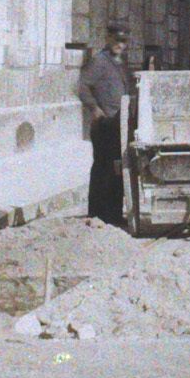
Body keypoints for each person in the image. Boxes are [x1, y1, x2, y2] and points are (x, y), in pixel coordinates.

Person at [77, 19, 133, 227]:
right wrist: (94, 109)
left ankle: (112, 214)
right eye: (117, 40)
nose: (121, 44)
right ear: (108, 38)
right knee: (103, 168)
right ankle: (98, 213)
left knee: (116, 168)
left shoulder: (119, 62)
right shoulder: (100, 61)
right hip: (105, 123)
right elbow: (82, 86)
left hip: (119, 123)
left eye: (124, 41)